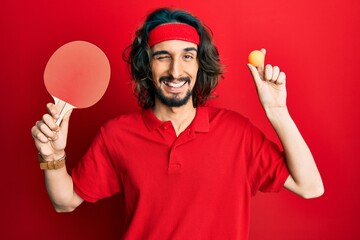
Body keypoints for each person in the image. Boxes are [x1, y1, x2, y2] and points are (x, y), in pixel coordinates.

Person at [31, 7, 324, 240]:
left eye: (188, 57)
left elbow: (310, 186)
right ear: (147, 65)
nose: (176, 70)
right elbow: (64, 201)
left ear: (200, 65)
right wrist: (52, 156)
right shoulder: (116, 135)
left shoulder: (238, 133)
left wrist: (277, 110)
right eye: (163, 57)